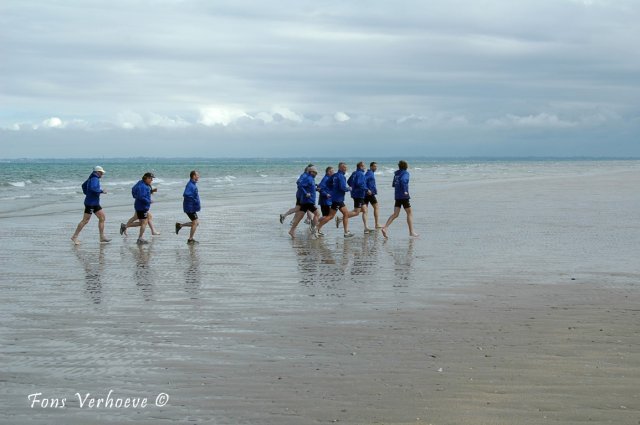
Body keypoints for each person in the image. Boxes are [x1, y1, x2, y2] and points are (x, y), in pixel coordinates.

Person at [71, 166, 111, 245]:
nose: (102, 174)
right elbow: (93, 188)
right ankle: (74, 237)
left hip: (95, 202)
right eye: (101, 173)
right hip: (90, 203)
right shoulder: (94, 179)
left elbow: (83, 185)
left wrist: (87, 193)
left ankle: (102, 237)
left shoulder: (92, 177)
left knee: (102, 218)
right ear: (97, 172)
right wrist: (101, 191)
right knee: (85, 220)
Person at [381, 160, 419, 238]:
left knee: (395, 214)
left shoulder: (396, 174)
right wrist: (405, 191)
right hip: (404, 196)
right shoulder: (405, 173)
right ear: (406, 166)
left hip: (397, 196)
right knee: (409, 213)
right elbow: (403, 181)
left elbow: (393, 184)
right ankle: (411, 232)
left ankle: (385, 228)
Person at [315, 162, 354, 238]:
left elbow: (328, 183)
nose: (345, 169)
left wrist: (333, 190)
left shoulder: (335, 175)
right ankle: (317, 228)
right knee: (330, 216)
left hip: (337, 198)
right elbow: (343, 188)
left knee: (345, 213)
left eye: (346, 167)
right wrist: (349, 188)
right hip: (337, 199)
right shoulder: (341, 176)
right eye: (344, 167)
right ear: (340, 168)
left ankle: (346, 232)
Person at [121, 172, 154, 244]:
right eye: (151, 178)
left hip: (139, 206)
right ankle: (140, 238)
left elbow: (134, 190)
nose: (152, 180)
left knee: (139, 219)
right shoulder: (143, 186)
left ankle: (125, 226)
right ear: (147, 178)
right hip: (142, 206)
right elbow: (141, 197)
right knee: (144, 223)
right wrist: (148, 201)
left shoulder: (141, 183)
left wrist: (149, 192)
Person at [288, 166, 320, 238]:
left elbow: (309, 188)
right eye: (315, 173)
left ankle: (292, 230)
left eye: (316, 173)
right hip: (308, 201)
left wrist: (316, 189)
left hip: (308, 201)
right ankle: (314, 229)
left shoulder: (311, 178)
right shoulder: (308, 178)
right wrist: (306, 193)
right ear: (311, 172)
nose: (316, 174)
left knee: (299, 216)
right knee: (317, 213)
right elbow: (300, 185)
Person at [344, 161, 372, 233]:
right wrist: (367, 190)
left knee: (365, 210)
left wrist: (353, 187)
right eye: (364, 166)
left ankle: (366, 228)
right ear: (360, 167)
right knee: (356, 212)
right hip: (359, 195)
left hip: (355, 194)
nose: (365, 167)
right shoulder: (360, 174)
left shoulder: (354, 173)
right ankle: (342, 218)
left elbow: (349, 181)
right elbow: (359, 184)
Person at [176, 170, 201, 244]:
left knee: (196, 223)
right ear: (193, 176)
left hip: (191, 207)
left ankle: (180, 225)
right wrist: (193, 200)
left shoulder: (193, 184)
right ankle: (190, 239)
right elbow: (186, 194)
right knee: (195, 223)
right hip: (190, 207)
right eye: (197, 175)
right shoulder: (190, 185)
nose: (198, 176)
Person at [364, 161, 381, 229]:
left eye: (376, 166)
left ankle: (343, 217)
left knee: (362, 210)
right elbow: (363, 181)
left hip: (367, 193)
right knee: (376, 207)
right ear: (371, 167)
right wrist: (367, 190)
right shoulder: (369, 173)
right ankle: (376, 224)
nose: (376, 168)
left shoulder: (371, 173)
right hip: (369, 194)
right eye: (374, 166)